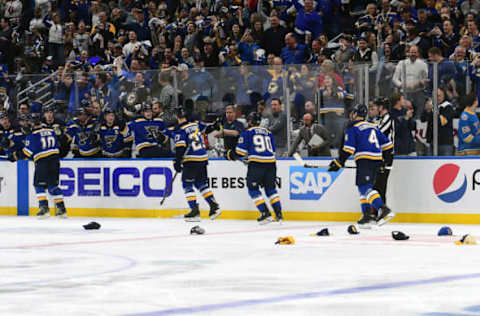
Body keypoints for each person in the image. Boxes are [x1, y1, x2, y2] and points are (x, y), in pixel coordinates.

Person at [328, 104, 394, 228]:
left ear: (355, 114)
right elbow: (388, 145)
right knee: (362, 187)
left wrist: (338, 162)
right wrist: (384, 161)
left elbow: (348, 149)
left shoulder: (353, 128)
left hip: (365, 160)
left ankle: (383, 209)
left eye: (352, 112)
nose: (351, 115)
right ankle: (367, 215)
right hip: (376, 160)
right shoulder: (373, 126)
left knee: (365, 188)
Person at [225, 112, 283, 224]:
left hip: (257, 165)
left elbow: (240, 153)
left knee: (253, 189)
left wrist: (229, 155)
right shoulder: (268, 133)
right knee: (271, 190)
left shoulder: (247, 132)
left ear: (250, 122)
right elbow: (272, 151)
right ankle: (279, 214)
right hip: (271, 164)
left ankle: (265, 213)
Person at [173, 107, 221, 221]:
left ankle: (194, 211)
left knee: (187, 184)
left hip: (191, 160)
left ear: (176, 116)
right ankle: (214, 206)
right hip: (203, 158)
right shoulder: (195, 124)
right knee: (200, 183)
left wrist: (177, 161)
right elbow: (208, 129)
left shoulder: (180, 130)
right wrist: (215, 126)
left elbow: (180, 147)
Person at [21, 115, 67, 218]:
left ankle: (44, 208)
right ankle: (61, 209)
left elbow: (27, 153)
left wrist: (14, 155)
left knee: (38, 185)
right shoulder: (51, 130)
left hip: (43, 162)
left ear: (33, 124)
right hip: (55, 161)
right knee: (52, 186)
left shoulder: (32, 135)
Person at [372, 97, 395, 209]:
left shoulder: (388, 118)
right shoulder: (379, 119)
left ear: (381, 107)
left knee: (381, 184)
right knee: (377, 184)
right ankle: (378, 210)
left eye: (376, 106)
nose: (374, 108)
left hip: (386, 155)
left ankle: (381, 210)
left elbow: (378, 133)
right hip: (379, 155)